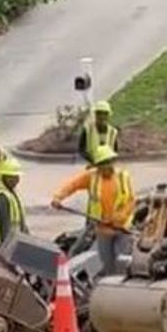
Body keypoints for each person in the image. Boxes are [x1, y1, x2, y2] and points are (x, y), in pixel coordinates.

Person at [51, 145, 135, 275]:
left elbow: (130, 201)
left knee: (122, 262)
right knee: (108, 264)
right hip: (102, 229)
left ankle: (121, 287)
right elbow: (71, 184)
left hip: (122, 228)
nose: (106, 167)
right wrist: (58, 197)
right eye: (102, 165)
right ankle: (109, 286)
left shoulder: (123, 177)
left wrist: (118, 218)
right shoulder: (92, 177)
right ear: (97, 166)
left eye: (108, 163)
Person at [0, 157, 29, 249]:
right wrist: (6, 248)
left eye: (16, 177)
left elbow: (20, 217)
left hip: (12, 238)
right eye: (11, 177)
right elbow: (5, 225)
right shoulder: (2, 196)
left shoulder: (11, 191)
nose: (15, 180)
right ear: (3, 177)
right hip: (0, 243)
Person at [77, 101, 119, 166]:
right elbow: (81, 149)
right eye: (99, 113)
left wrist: (108, 161)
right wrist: (93, 160)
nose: (102, 116)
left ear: (108, 115)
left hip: (107, 166)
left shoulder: (113, 132)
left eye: (105, 114)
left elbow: (115, 151)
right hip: (91, 164)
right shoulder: (88, 130)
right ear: (96, 115)